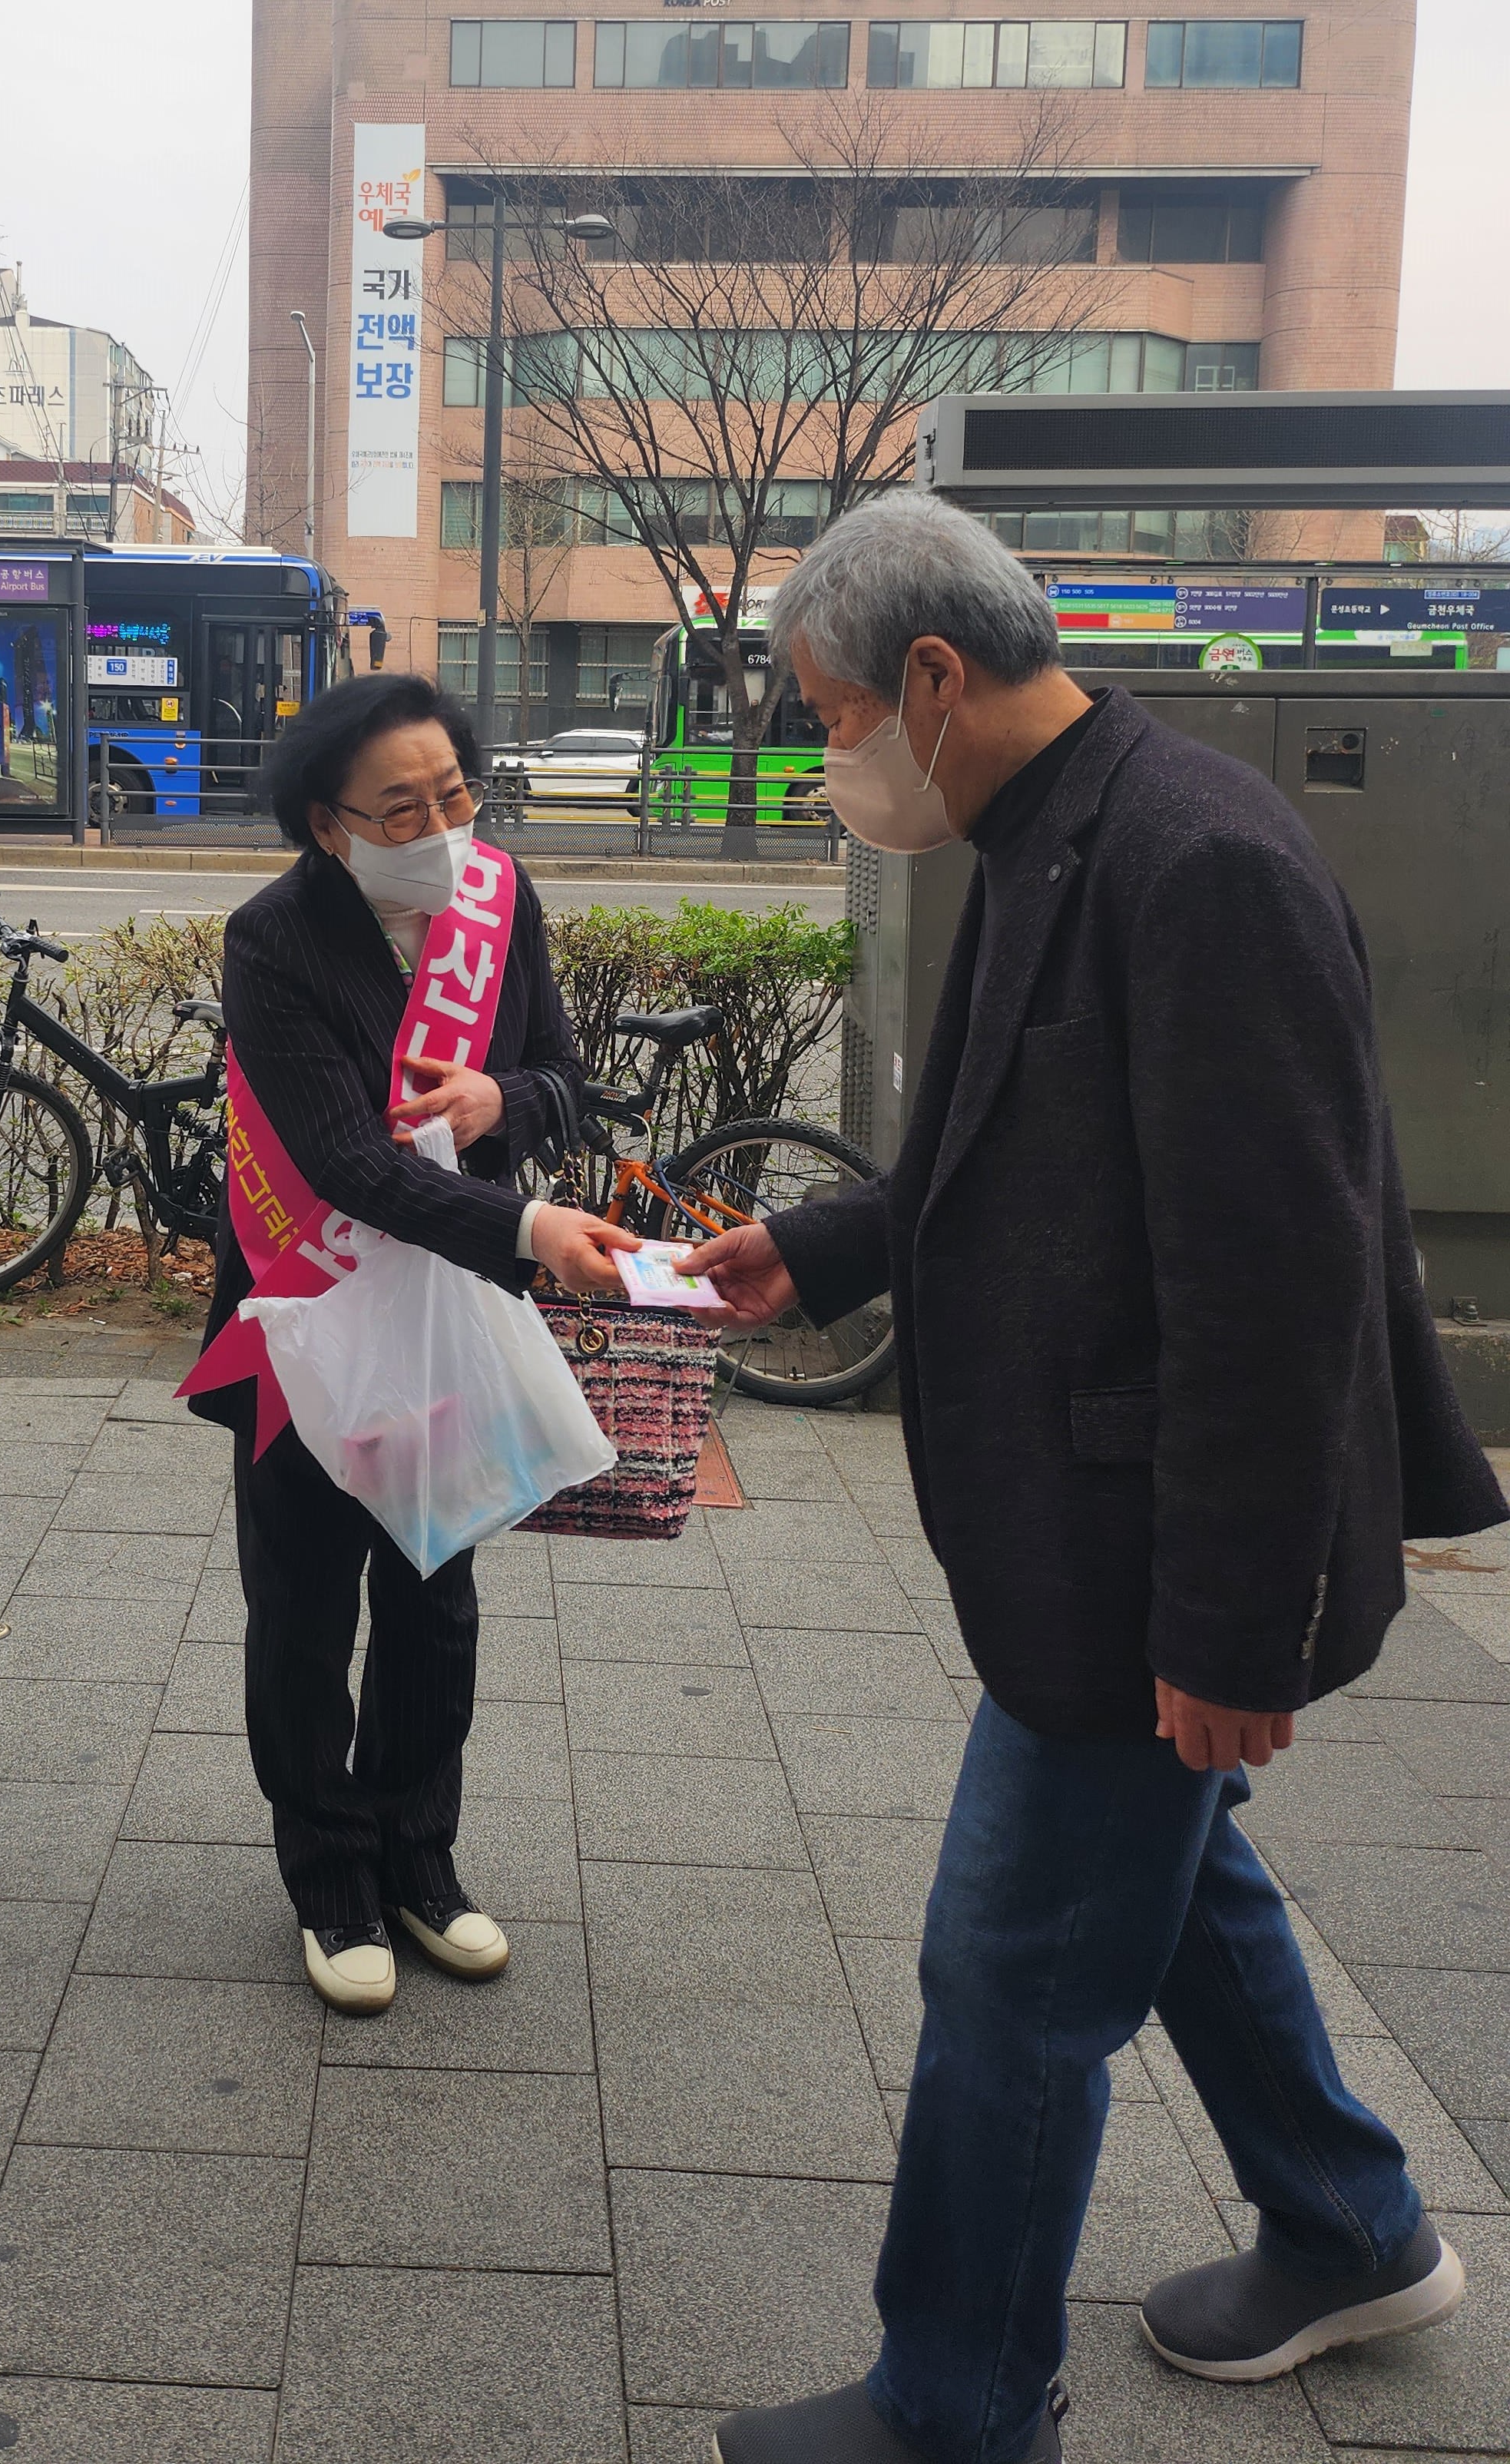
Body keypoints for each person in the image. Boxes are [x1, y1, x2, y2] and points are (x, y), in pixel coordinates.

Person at [680, 494, 1507, 2464]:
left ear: (937, 681)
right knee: (1178, 1885)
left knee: (1011, 1973)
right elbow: (1015, 1146)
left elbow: (1276, 1284)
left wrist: (1234, 1633)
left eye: (828, 716)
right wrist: (830, 1245)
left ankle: (958, 2408)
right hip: (1093, 1538)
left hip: (1146, 1557)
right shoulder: (1058, 825)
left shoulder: (1196, 860)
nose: (826, 759)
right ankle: (1352, 2222)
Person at [185, 672, 638, 2012]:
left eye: (454, 793)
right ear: (331, 825)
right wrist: (532, 1230)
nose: (440, 824)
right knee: (308, 1606)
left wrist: (509, 1095)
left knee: (436, 1598)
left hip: (447, 1318)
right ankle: (329, 1877)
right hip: (308, 1314)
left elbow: (563, 1075)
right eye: (402, 807)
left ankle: (417, 1861)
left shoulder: (502, 898)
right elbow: (339, 1165)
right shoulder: (274, 939)